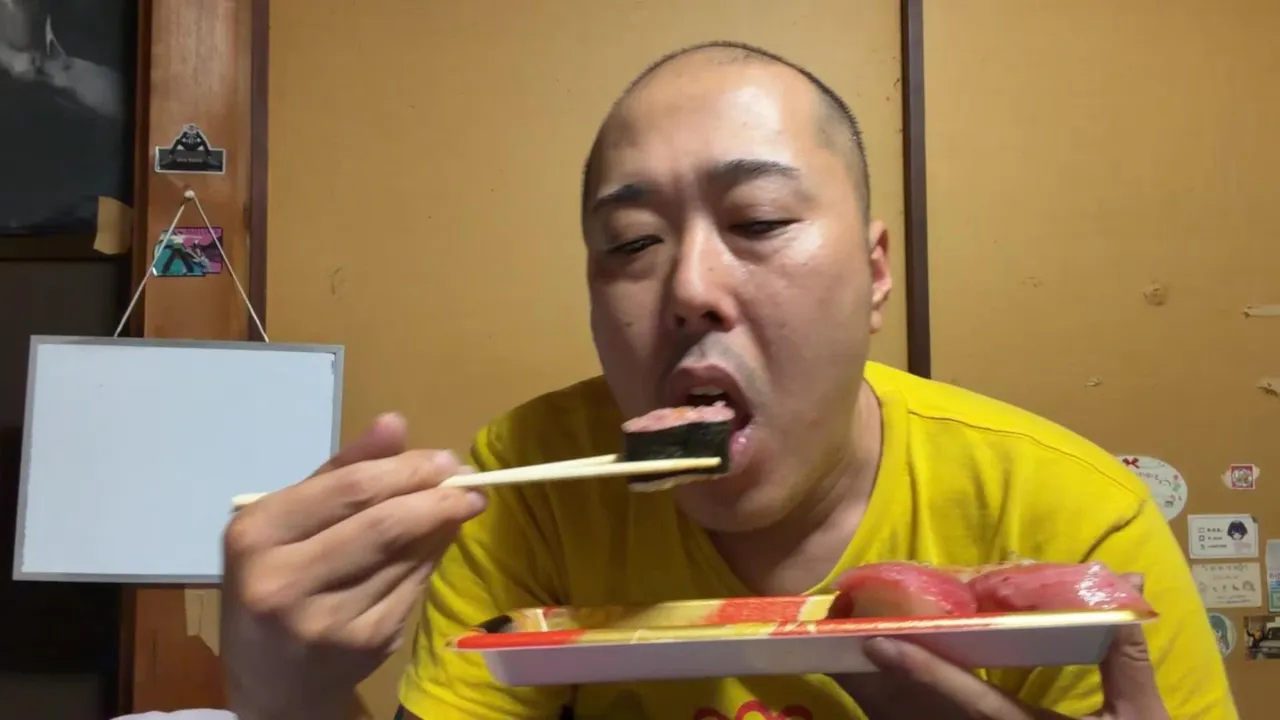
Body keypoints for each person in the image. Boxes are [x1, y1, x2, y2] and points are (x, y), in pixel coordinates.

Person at [222, 41, 1236, 720]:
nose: (690, 289)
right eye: (632, 243)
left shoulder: (1074, 520)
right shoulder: (527, 487)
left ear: (874, 275)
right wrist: (290, 701)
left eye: (758, 223)